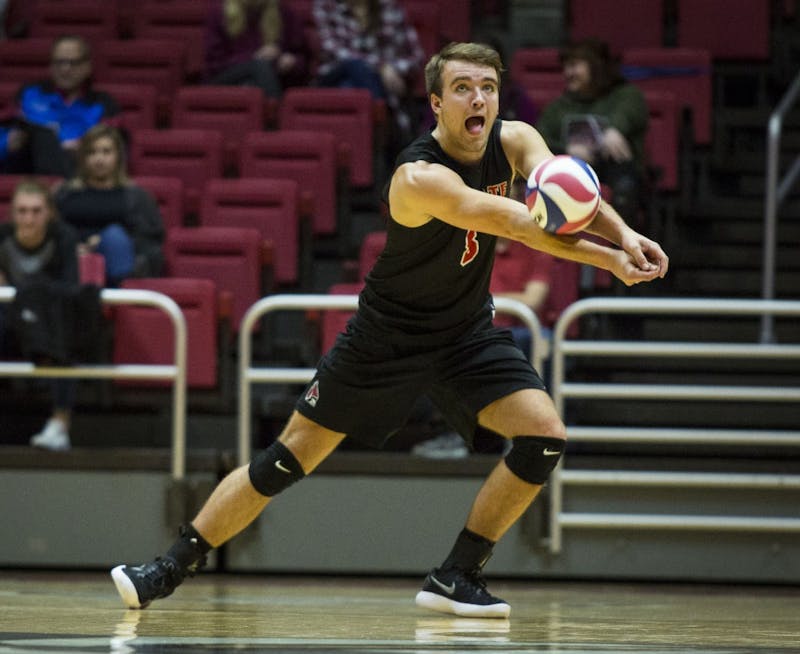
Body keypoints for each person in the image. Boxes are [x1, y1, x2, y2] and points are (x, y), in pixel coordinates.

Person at [111, 42, 667, 619]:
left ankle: (457, 575)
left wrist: (625, 236)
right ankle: (167, 567)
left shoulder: (518, 139)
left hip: (466, 333)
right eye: (462, 88)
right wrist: (611, 261)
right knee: (287, 458)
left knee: (544, 435)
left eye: (489, 87)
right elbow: (523, 223)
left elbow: (567, 190)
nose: (479, 98)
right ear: (435, 103)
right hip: (386, 337)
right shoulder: (418, 176)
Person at [0, 179, 80, 450]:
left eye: (36, 211)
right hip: (9, 319)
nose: (29, 218)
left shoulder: (64, 237)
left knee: (64, 331)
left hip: (49, 322)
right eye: (22, 211)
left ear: (48, 213)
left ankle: (60, 424)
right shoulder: (2, 237)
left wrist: (31, 292)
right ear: (13, 214)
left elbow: (71, 286)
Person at [535, 38, 649, 224]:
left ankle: (624, 247)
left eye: (573, 66)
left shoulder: (625, 95)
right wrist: (567, 150)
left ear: (595, 66)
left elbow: (629, 112)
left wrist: (614, 130)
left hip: (615, 172)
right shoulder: (558, 107)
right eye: (565, 67)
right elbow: (539, 140)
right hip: (569, 175)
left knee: (625, 188)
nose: (567, 73)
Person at [54, 124, 164, 287]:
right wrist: (73, 247)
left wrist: (101, 243)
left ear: (118, 156)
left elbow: (150, 238)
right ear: (83, 157)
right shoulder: (64, 193)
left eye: (106, 152)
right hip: (71, 259)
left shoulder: (136, 196)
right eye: (92, 152)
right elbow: (52, 230)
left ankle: (120, 300)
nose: (99, 159)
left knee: (114, 237)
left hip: (120, 261)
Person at [0, 35, 120, 178]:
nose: (65, 69)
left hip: (79, 174)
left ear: (87, 67)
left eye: (73, 62)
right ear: (50, 66)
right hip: (27, 175)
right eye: (59, 62)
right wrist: (8, 143)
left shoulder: (104, 104)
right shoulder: (29, 94)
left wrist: (83, 147)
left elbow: (114, 148)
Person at [312, 0, 425, 143]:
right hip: (334, 76)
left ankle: (364, 151)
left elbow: (416, 57)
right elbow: (332, 49)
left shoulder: (389, 7)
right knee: (355, 66)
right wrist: (381, 67)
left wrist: (393, 69)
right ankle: (383, 119)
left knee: (351, 89)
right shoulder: (326, 5)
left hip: (368, 85)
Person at [204, 0, 309, 98]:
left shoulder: (283, 11)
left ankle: (271, 111)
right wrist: (255, 57)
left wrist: (291, 62)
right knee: (259, 66)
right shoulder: (219, 11)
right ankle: (276, 113)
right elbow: (214, 64)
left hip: (270, 79)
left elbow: (302, 57)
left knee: (252, 85)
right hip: (224, 79)